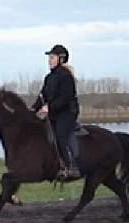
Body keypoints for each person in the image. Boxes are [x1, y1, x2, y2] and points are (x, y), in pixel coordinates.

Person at [31, 44, 81, 179]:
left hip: (68, 112)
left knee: (60, 135)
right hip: (55, 113)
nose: (49, 60)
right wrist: (32, 110)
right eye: (49, 58)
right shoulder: (49, 77)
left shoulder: (66, 77)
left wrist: (49, 108)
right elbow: (42, 96)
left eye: (52, 57)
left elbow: (66, 98)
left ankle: (72, 166)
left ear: (61, 59)